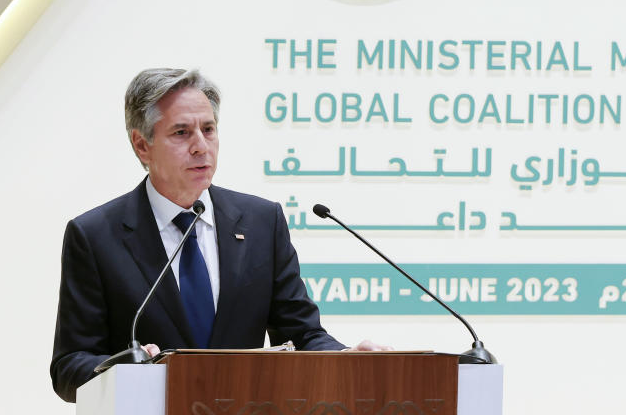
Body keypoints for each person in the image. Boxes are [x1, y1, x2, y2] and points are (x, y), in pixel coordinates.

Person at [51, 68, 386, 402]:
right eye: (182, 132)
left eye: (208, 129)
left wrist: (347, 357)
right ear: (142, 145)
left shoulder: (261, 222)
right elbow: (69, 368)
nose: (201, 146)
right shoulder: (95, 236)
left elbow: (303, 334)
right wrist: (123, 370)